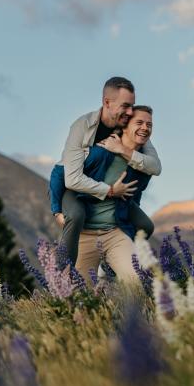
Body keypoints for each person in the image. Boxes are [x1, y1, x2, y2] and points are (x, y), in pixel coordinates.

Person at [56, 76, 161, 266]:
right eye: (126, 106)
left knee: (145, 225)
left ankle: (109, 266)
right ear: (107, 102)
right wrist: (110, 191)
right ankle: (62, 271)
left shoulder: (129, 126)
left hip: (111, 194)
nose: (130, 112)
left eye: (132, 106)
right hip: (74, 188)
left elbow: (155, 166)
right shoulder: (82, 126)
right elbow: (66, 177)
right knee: (76, 215)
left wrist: (122, 149)